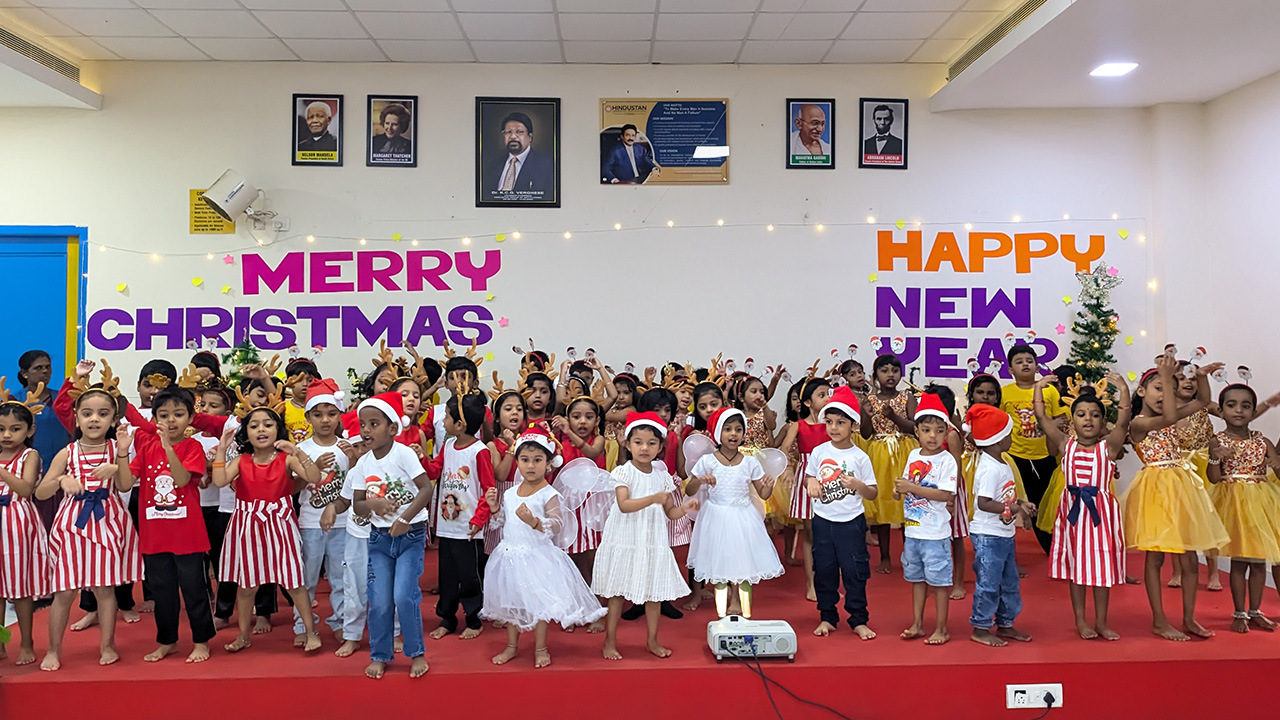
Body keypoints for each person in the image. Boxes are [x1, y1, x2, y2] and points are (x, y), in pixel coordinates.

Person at [36, 370, 140, 671]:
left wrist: (120, 461)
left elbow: (125, 485)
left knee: (105, 589)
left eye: (103, 414)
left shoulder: (116, 449)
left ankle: (107, 645)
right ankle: (53, 649)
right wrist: (62, 480)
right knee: (65, 590)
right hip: (73, 526)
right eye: (87, 413)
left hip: (107, 523)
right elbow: (40, 492)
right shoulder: (67, 452)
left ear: (113, 420)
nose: (95, 419)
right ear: (77, 418)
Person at [1121, 355, 1228, 641]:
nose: (1164, 393)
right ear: (1141, 391)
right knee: (1155, 557)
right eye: (1159, 388)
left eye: (1167, 388)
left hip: (1182, 488)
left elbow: (1202, 401)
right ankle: (1159, 620)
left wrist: (1202, 377)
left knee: (1190, 559)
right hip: (1156, 491)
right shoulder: (1139, 423)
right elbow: (1168, 417)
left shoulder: (1169, 416)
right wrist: (1169, 378)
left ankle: (1189, 618)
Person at [482, 427, 606, 667]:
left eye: (538, 460)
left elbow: (557, 524)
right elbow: (502, 522)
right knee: (512, 603)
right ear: (517, 461)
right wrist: (495, 508)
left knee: (540, 606)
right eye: (525, 460)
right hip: (510, 555)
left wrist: (535, 522)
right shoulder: (510, 493)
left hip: (537, 556)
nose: (530, 465)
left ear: (549, 464)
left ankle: (540, 648)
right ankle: (511, 645)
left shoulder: (548, 493)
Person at [211, 401, 323, 655]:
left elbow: (314, 477)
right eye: (254, 426)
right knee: (247, 585)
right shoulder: (241, 460)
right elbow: (219, 480)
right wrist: (222, 449)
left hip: (280, 524)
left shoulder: (287, 458)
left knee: (293, 582)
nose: (261, 429)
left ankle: (310, 631)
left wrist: (298, 452)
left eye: (267, 424)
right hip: (246, 525)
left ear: (278, 430)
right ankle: (243, 635)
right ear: (246, 433)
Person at [593, 412, 697, 660]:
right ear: (628, 445)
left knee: (654, 592)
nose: (644, 448)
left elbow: (671, 512)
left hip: (651, 539)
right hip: (625, 538)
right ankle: (610, 641)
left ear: (660, 447)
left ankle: (652, 640)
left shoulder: (662, 477)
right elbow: (624, 505)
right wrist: (652, 499)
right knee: (617, 592)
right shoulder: (623, 472)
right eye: (638, 442)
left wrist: (685, 508)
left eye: (651, 443)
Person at [1034, 375, 1130, 641]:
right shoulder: (1066, 445)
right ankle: (1080, 619)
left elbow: (1124, 422)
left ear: (1103, 421)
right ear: (1072, 419)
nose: (1088, 419)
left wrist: (1123, 389)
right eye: (1081, 414)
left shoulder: (1109, 447)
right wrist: (1038, 388)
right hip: (1074, 514)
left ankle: (1101, 621)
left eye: (1095, 415)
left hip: (1100, 515)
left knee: (1102, 567)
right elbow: (1042, 418)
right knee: (1076, 568)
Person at [124, 387, 216, 664]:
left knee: (194, 589)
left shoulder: (193, 447)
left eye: (178, 414)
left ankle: (201, 641)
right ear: (155, 419)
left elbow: (181, 479)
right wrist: (120, 454)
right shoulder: (146, 448)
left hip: (188, 535)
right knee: (162, 592)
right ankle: (168, 641)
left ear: (190, 418)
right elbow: (125, 484)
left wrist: (167, 448)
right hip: (155, 535)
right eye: (163, 415)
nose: (171, 420)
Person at [351, 390, 432, 679]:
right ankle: (380, 655)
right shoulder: (363, 463)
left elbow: (426, 488)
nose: (366, 430)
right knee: (380, 600)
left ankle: (416, 652)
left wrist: (405, 518)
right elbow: (358, 505)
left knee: (404, 597)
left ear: (393, 428)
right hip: (379, 539)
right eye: (363, 424)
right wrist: (374, 505)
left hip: (410, 536)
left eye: (374, 424)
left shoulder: (404, 454)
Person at [685, 407, 783, 619]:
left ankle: (740, 603)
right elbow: (689, 490)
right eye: (728, 429)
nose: (733, 434)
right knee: (720, 562)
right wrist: (699, 480)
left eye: (738, 429)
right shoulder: (708, 461)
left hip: (743, 516)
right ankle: (722, 610)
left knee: (743, 562)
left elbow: (763, 494)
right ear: (718, 432)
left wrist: (769, 485)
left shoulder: (750, 462)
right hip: (716, 516)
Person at [803, 387, 877, 639]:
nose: (834, 428)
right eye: (830, 422)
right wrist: (812, 482)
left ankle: (859, 619)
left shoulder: (860, 457)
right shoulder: (819, 452)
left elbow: (873, 493)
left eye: (841, 422)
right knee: (824, 570)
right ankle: (827, 617)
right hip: (823, 521)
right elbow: (809, 476)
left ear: (853, 425)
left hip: (851, 523)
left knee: (855, 571)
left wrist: (859, 486)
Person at [1205, 384, 1280, 633]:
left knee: (1258, 561)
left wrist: (1276, 464)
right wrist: (1215, 457)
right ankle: (1239, 612)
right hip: (1233, 505)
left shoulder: (1263, 441)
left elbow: (1278, 470)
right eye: (1231, 405)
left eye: (1246, 406)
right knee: (1239, 561)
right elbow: (1214, 478)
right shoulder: (1217, 440)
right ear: (1221, 411)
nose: (1239, 410)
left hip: (1262, 505)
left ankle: (1255, 611)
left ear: (1253, 411)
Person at [424, 389, 494, 642]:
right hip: (447, 526)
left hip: (469, 528)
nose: (442, 421)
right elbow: (434, 471)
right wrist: (421, 456)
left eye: (446, 417)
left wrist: (478, 520)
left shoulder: (479, 451)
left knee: (469, 575)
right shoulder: (448, 446)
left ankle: (474, 618)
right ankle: (447, 617)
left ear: (460, 424)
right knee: (447, 576)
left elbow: (488, 489)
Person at [965, 403, 1034, 647]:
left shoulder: (1001, 464)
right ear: (997, 439)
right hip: (988, 535)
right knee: (989, 582)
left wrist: (1021, 503)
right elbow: (983, 503)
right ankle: (980, 626)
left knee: (1009, 582)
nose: (1011, 438)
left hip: (1003, 533)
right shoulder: (989, 469)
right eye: (1008, 434)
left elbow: (1005, 496)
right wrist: (1014, 509)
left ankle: (1006, 623)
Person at [895, 392, 958, 646]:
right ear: (917, 432)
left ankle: (942, 628)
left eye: (939, 431)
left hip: (935, 534)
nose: (933, 436)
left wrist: (912, 488)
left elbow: (945, 494)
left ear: (946, 434)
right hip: (913, 532)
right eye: (926, 430)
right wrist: (899, 490)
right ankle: (918, 624)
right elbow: (908, 482)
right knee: (916, 580)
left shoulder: (947, 461)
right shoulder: (913, 456)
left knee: (940, 583)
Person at [293, 379, 351, 647]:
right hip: (310, 522)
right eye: (318, 414)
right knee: (307, 577)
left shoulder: (346, 447)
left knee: (341, 577)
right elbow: (292, 488)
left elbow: (355, 484)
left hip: (343, 522)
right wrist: (311, 468)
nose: (325, 420)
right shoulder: (302, 449)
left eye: (331, 413)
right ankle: (303, 624)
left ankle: (341, 622)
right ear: (308, 417)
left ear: (339, 415)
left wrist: (355, 459)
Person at [0, 388, 50, 665]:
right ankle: (0, 643)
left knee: (20, 588)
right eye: (1, 429)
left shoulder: (30, 456)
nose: (7, 435)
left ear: (29, 430)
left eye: (15, 429)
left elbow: (25, 489)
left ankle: (27, 642)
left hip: (18, 523)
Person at [1000, 344, 1063, 554]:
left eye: (1029, 361)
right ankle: (1042, 546)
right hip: (1016, 455)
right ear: (1010, 369)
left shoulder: (1049, 390)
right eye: (1019, 362)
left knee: (1047, 500)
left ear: (1037, 366)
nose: (1025, 364)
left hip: (1045, 454)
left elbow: (1058, 419)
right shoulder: (1005, 393)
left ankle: (1054, 545)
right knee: (1024, 502)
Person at [861, 354, 918, 573]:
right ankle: (885, 556)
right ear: (876, 375)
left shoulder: (907, 397)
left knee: (908, 504)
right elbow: (866, 433)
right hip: (880, 455)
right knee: (883, 503)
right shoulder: (870, 400)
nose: (890, 375)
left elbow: (914, 427)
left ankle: (910, 556)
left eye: (894, 370)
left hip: (905, 452)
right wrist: (866, 415)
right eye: (884, 371)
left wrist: (894, 416)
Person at [16, 350, 68, 529]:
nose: (45, 371)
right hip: (31, 477)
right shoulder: (15, 402)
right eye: (38, 368)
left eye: (47, 367)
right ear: (25, 373)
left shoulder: (64, 399)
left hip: (63, 477)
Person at [485, 112, 554, 195]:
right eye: (508, 132)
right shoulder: (493, 164)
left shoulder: (547, 166)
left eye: (519, 132)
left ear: (530, 137)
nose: (513, 136)